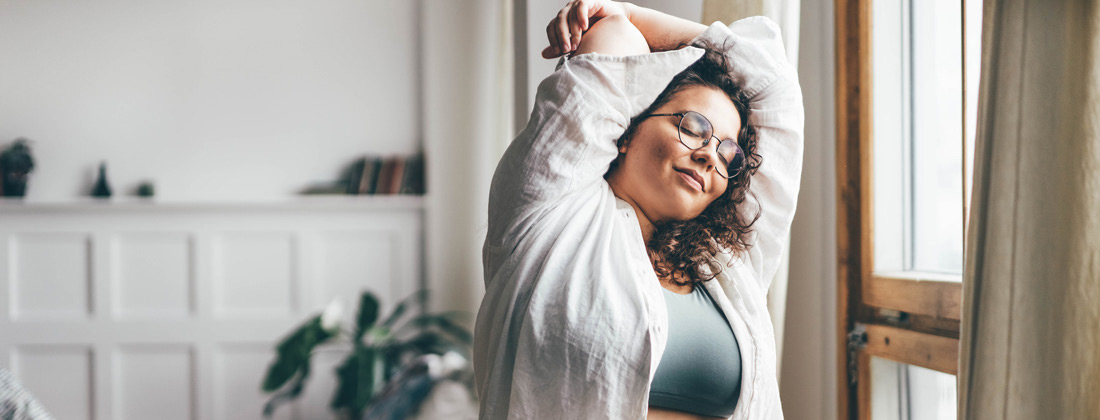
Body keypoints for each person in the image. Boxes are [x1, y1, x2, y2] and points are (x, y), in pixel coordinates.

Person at [473, 1, 803, 419]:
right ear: (627, 130)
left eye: (727, 152)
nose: (709, 156)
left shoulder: (728, 261)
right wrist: (623, 17)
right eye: (694, 127)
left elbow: (775, 84)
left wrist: (633, 11)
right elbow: (614, 35)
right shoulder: (551, 212)